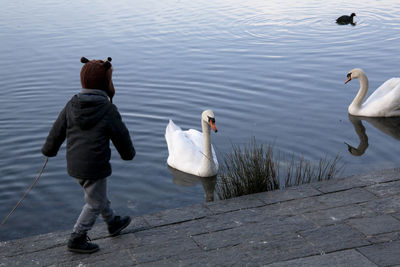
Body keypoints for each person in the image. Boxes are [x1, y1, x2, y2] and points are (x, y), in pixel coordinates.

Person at [42, 57, 135, 253]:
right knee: (95, 202)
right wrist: (128, 154)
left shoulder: (71, 104)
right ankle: (77, 237)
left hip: (75, 165)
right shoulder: (107, 109)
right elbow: (121, 135)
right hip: (95, 166)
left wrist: (49, 150)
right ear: (107, 83)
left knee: (98, 195)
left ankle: (112, 223)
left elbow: (57, 130)